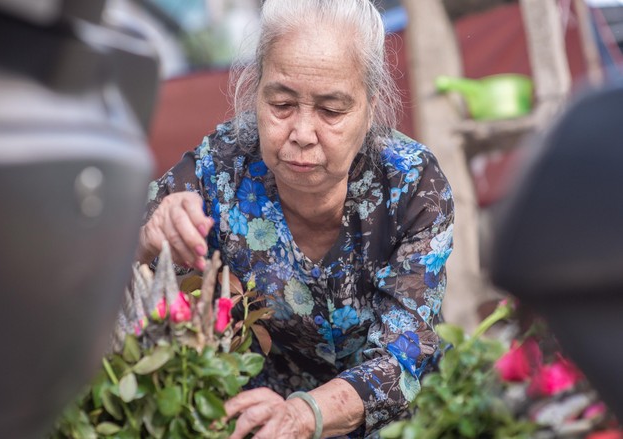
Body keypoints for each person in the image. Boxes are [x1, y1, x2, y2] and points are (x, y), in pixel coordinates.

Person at [137, 0, 454, 437]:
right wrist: (146, 240)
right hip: (256, 420)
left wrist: (304, 415)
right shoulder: (218, 170)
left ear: (370, 109)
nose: (302, 134)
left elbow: (403, 357)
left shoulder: (412, 184)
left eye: (331, 110)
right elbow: (100, 257)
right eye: (282, 103)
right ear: (256, 95)